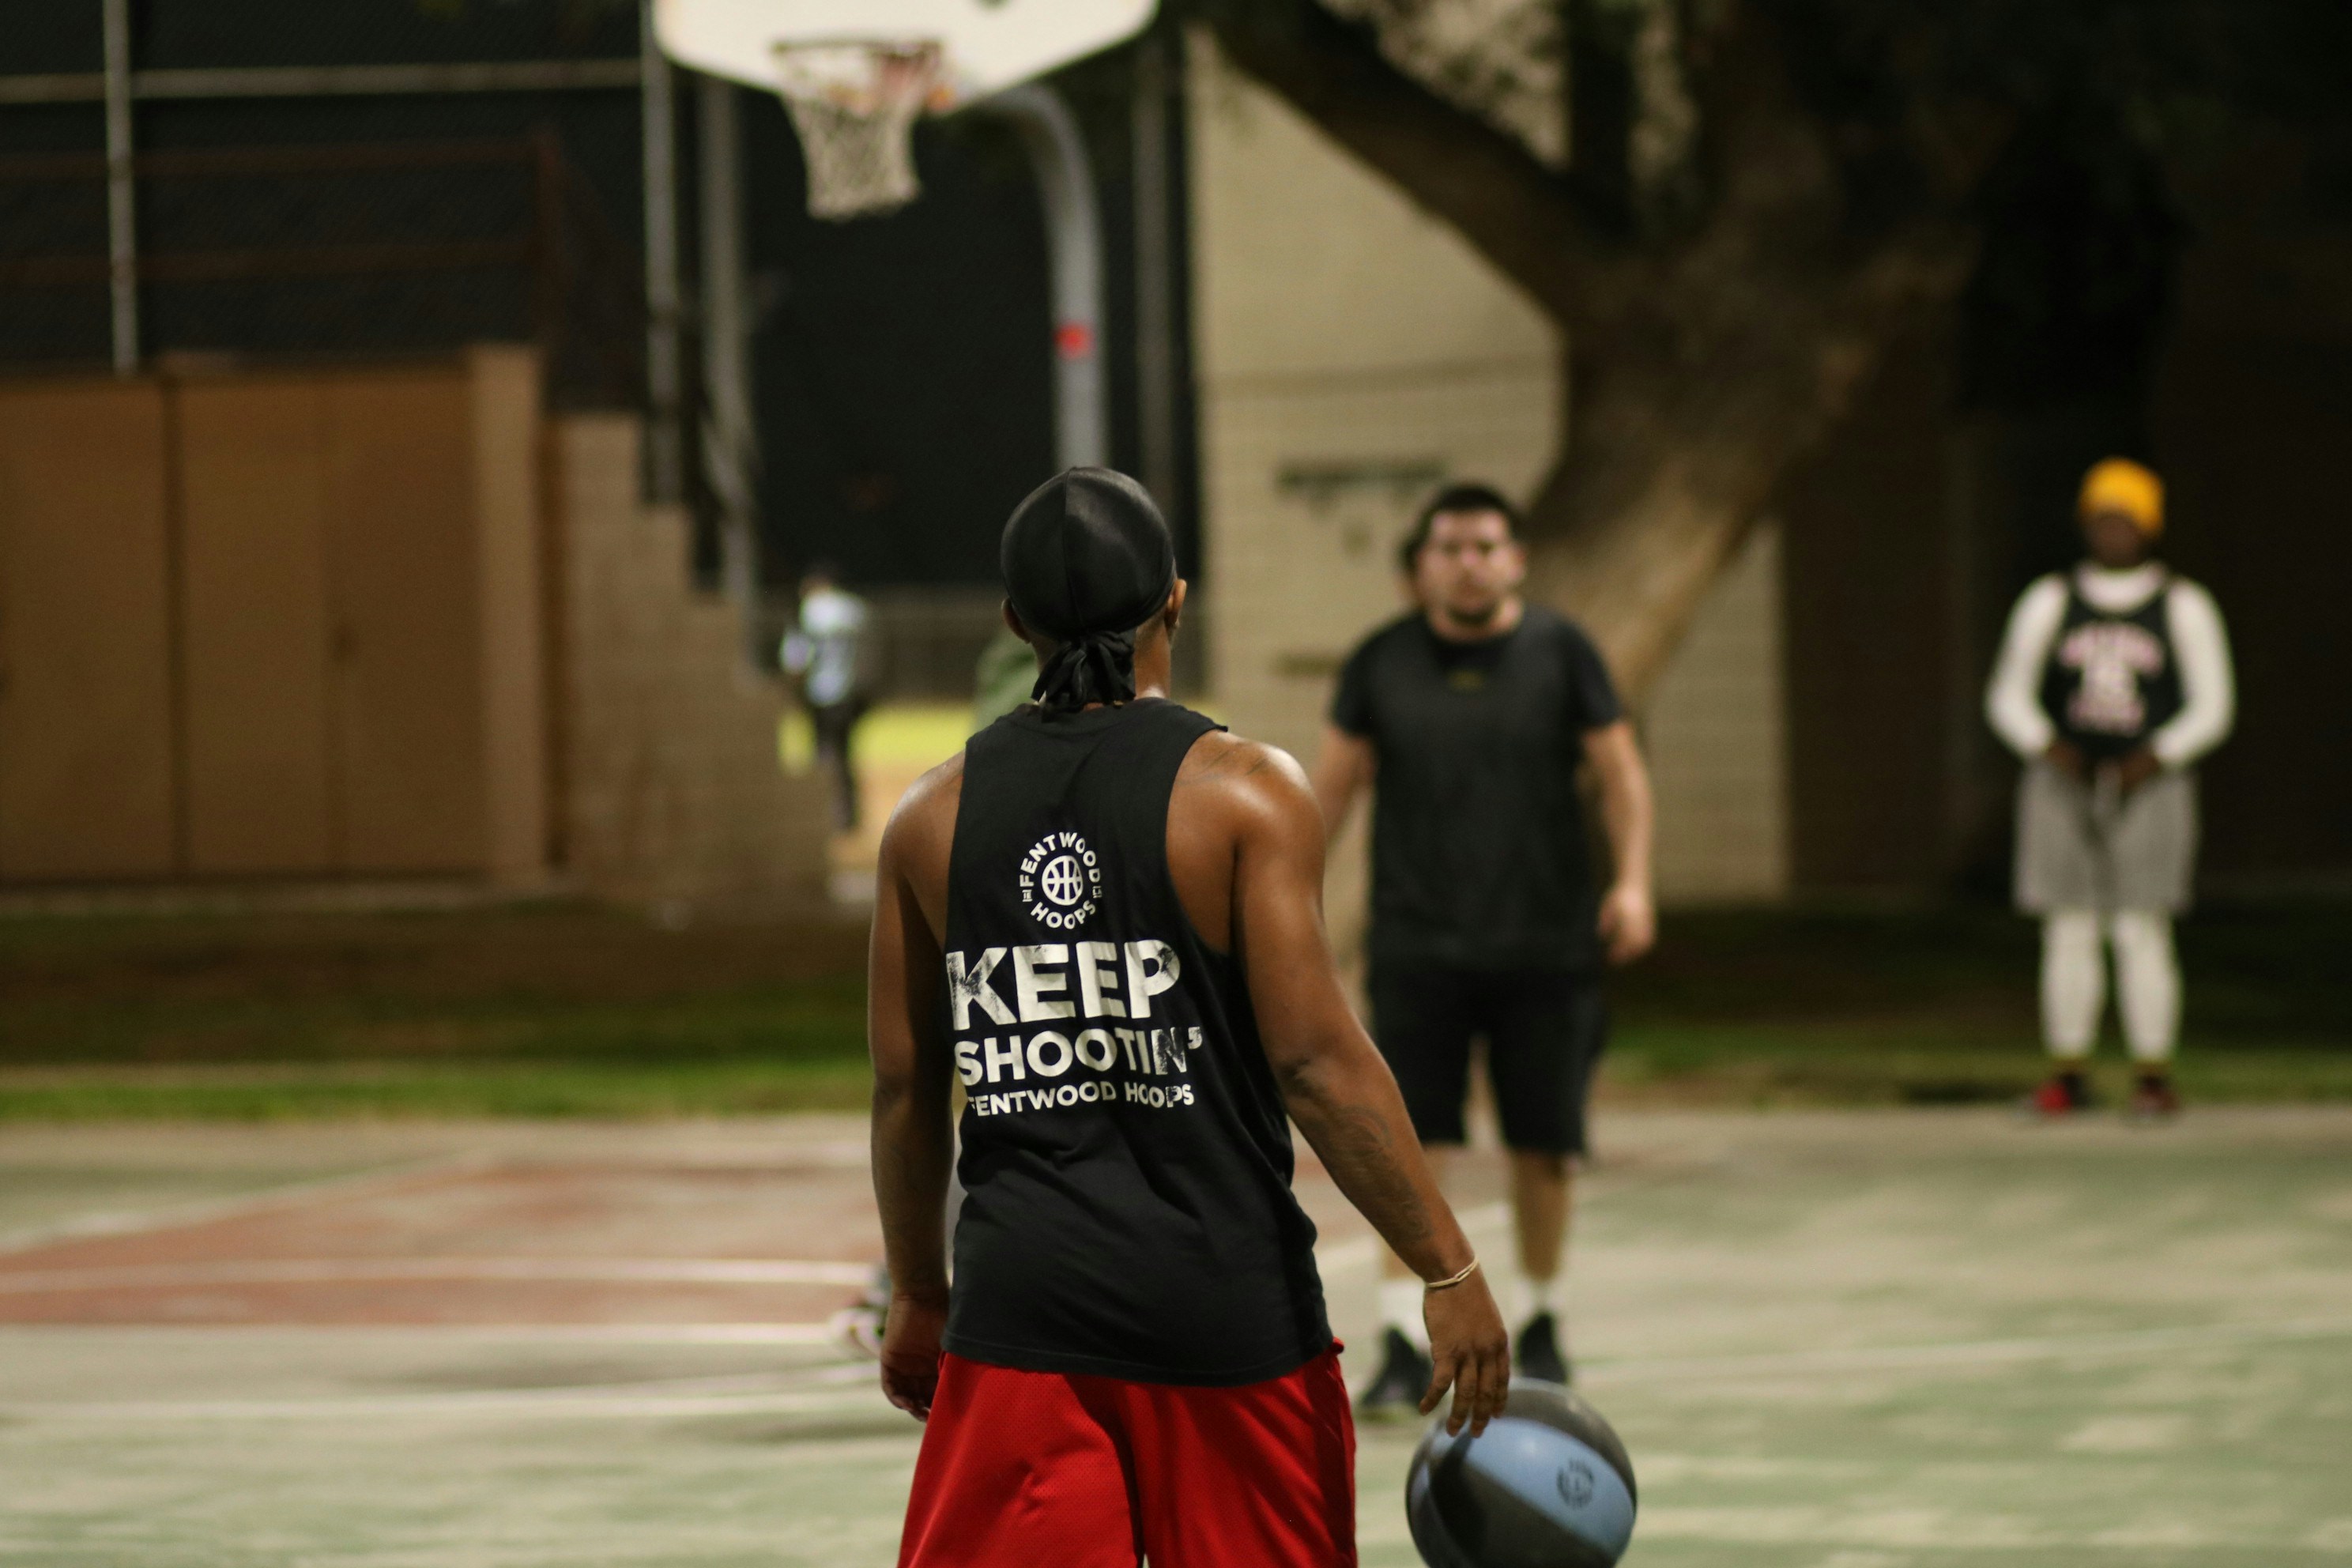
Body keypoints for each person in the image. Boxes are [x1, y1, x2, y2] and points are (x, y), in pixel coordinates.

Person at [869, 468, 1510, 1568]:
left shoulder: (930, 819)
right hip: (1224, 1311)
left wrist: (921, 1291)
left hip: (1024, 1314)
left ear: (1015, 622)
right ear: (1176, 598)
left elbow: (908, 1088)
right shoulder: (1243, 793)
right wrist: (1446, 1270)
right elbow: (1315, 1062)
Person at [1310, 482, 1657, 1408]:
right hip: (1419, 943)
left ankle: (1543, 1320)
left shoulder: (1562, 652)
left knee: (1543, 1143)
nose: (1470, 562)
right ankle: (1396, 1335)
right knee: (1406, 1146)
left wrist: (1631, 881)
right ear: (1418, 567)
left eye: (1487, 546)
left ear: (1516, 558)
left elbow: (1621, 774)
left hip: (1544, 944)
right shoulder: (1380, 663)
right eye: (1451, 548)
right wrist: (1293, 908)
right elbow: (1331, 796)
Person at [1984, 458, 2234, 1118]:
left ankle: (2153, 1075)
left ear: (2149, 525)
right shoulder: (2050, 599)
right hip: (2064, 782)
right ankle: (2068, 1072)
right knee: (2067, 925)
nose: (2114, 531)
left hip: (2150, 786)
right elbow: (2008, 694)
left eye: (2126, 518)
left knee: (2141, 927)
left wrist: (2156, 756)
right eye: (2103, 518)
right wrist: (2048, 746)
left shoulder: (2182, 604)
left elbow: (2214, 705)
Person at [782, 563, 874, 832]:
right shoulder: (855, 609)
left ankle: (825, 816)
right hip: (851, 693)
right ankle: (849, 816)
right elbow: (871, 654)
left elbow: (796, 660)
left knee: (822, 755)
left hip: (820, 693)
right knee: (845, 755)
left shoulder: (808, 611)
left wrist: (795, 692)